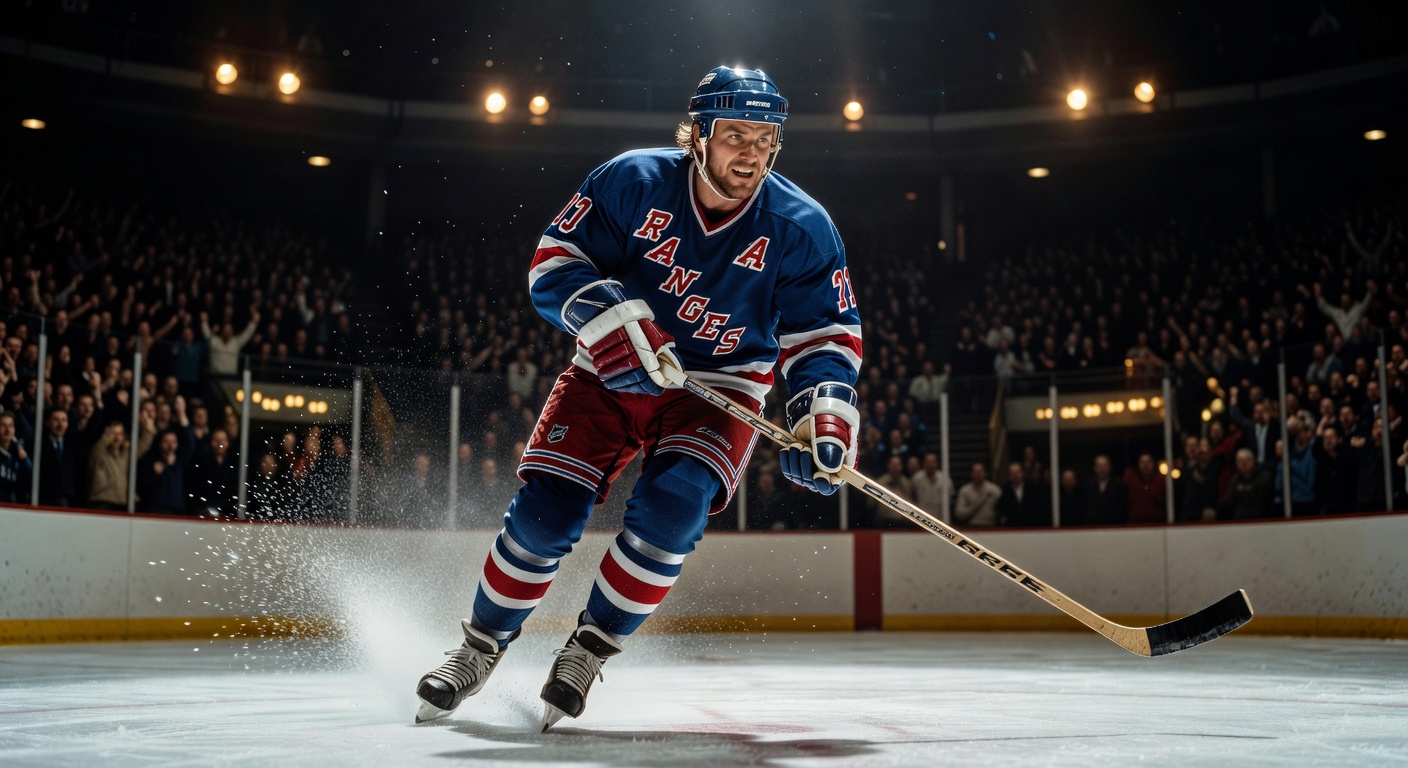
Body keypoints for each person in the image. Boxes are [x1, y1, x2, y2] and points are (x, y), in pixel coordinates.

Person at [415, 67, 862, 729]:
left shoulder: (802, 227)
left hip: (721, 388)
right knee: (545, 514)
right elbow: (554, 262)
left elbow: (824, 333)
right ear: (699, 134)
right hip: (613, 366)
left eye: (764, 138)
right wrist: (611, 319)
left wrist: (821, 414)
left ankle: (587, 650)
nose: (751, 152)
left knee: (673, 511)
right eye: (735, 135)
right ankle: (478, 648)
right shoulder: (632, 180)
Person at [38, 407, 81, 507]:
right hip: (45, 499)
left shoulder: (73, 444)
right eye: (56, 420)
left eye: (64, 420)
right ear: (47, 423)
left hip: (68, 499)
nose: (60, 425)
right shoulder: (39, 444)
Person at [1080, 454, 1128, 525]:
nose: (1101, 469)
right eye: (1098, 466)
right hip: (1093, 526)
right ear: (1094, 468)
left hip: (1114, 526)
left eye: (1104, 466)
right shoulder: (1087, 486)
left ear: (1110, 467)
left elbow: (1123, 509)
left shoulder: (1120, 486)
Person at [998, 461, 1049, 527]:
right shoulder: (1005, 490)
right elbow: (1003, 509)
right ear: (1009, 476)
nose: (1015, 476)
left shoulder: (1032, 487)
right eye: (1012, 473)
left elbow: (1038, 507)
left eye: (1017, 472)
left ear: (1022, 473)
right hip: (1012, 527)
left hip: (1030, 526)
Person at [954, 463, 1002, 527]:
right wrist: (975, 506)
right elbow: (959, 513)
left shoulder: (995, 490)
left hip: (992, 526)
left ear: (985, 473)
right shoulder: (965, 490)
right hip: (971, 526)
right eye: (975, 472)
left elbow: (1002, 510)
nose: (978, 474)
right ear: (971, 474)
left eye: (980, 472)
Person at [1123, 453, 1166, 524]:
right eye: (1142, 462)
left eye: (1149, 462)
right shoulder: (1131, 480)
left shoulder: (1161, 481)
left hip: (1158, 525)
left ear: (1154, 464)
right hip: (1135, 525)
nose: (1145, 465)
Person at [909, 453, 952, 522]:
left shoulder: (945, 480)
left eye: (932, 462)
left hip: (940, 519)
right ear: (924, 464)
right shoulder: (916, 479)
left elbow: (950, 500)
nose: (930, 465)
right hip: (920, 519)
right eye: (927, 462)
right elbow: (911, 498)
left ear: (937, 464)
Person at [0, 413, 31, 503]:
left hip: (13, 503)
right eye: (3, 425)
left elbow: (29, 472)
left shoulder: (18, 452)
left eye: (10, 426)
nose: (7, 429)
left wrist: (24, 457)